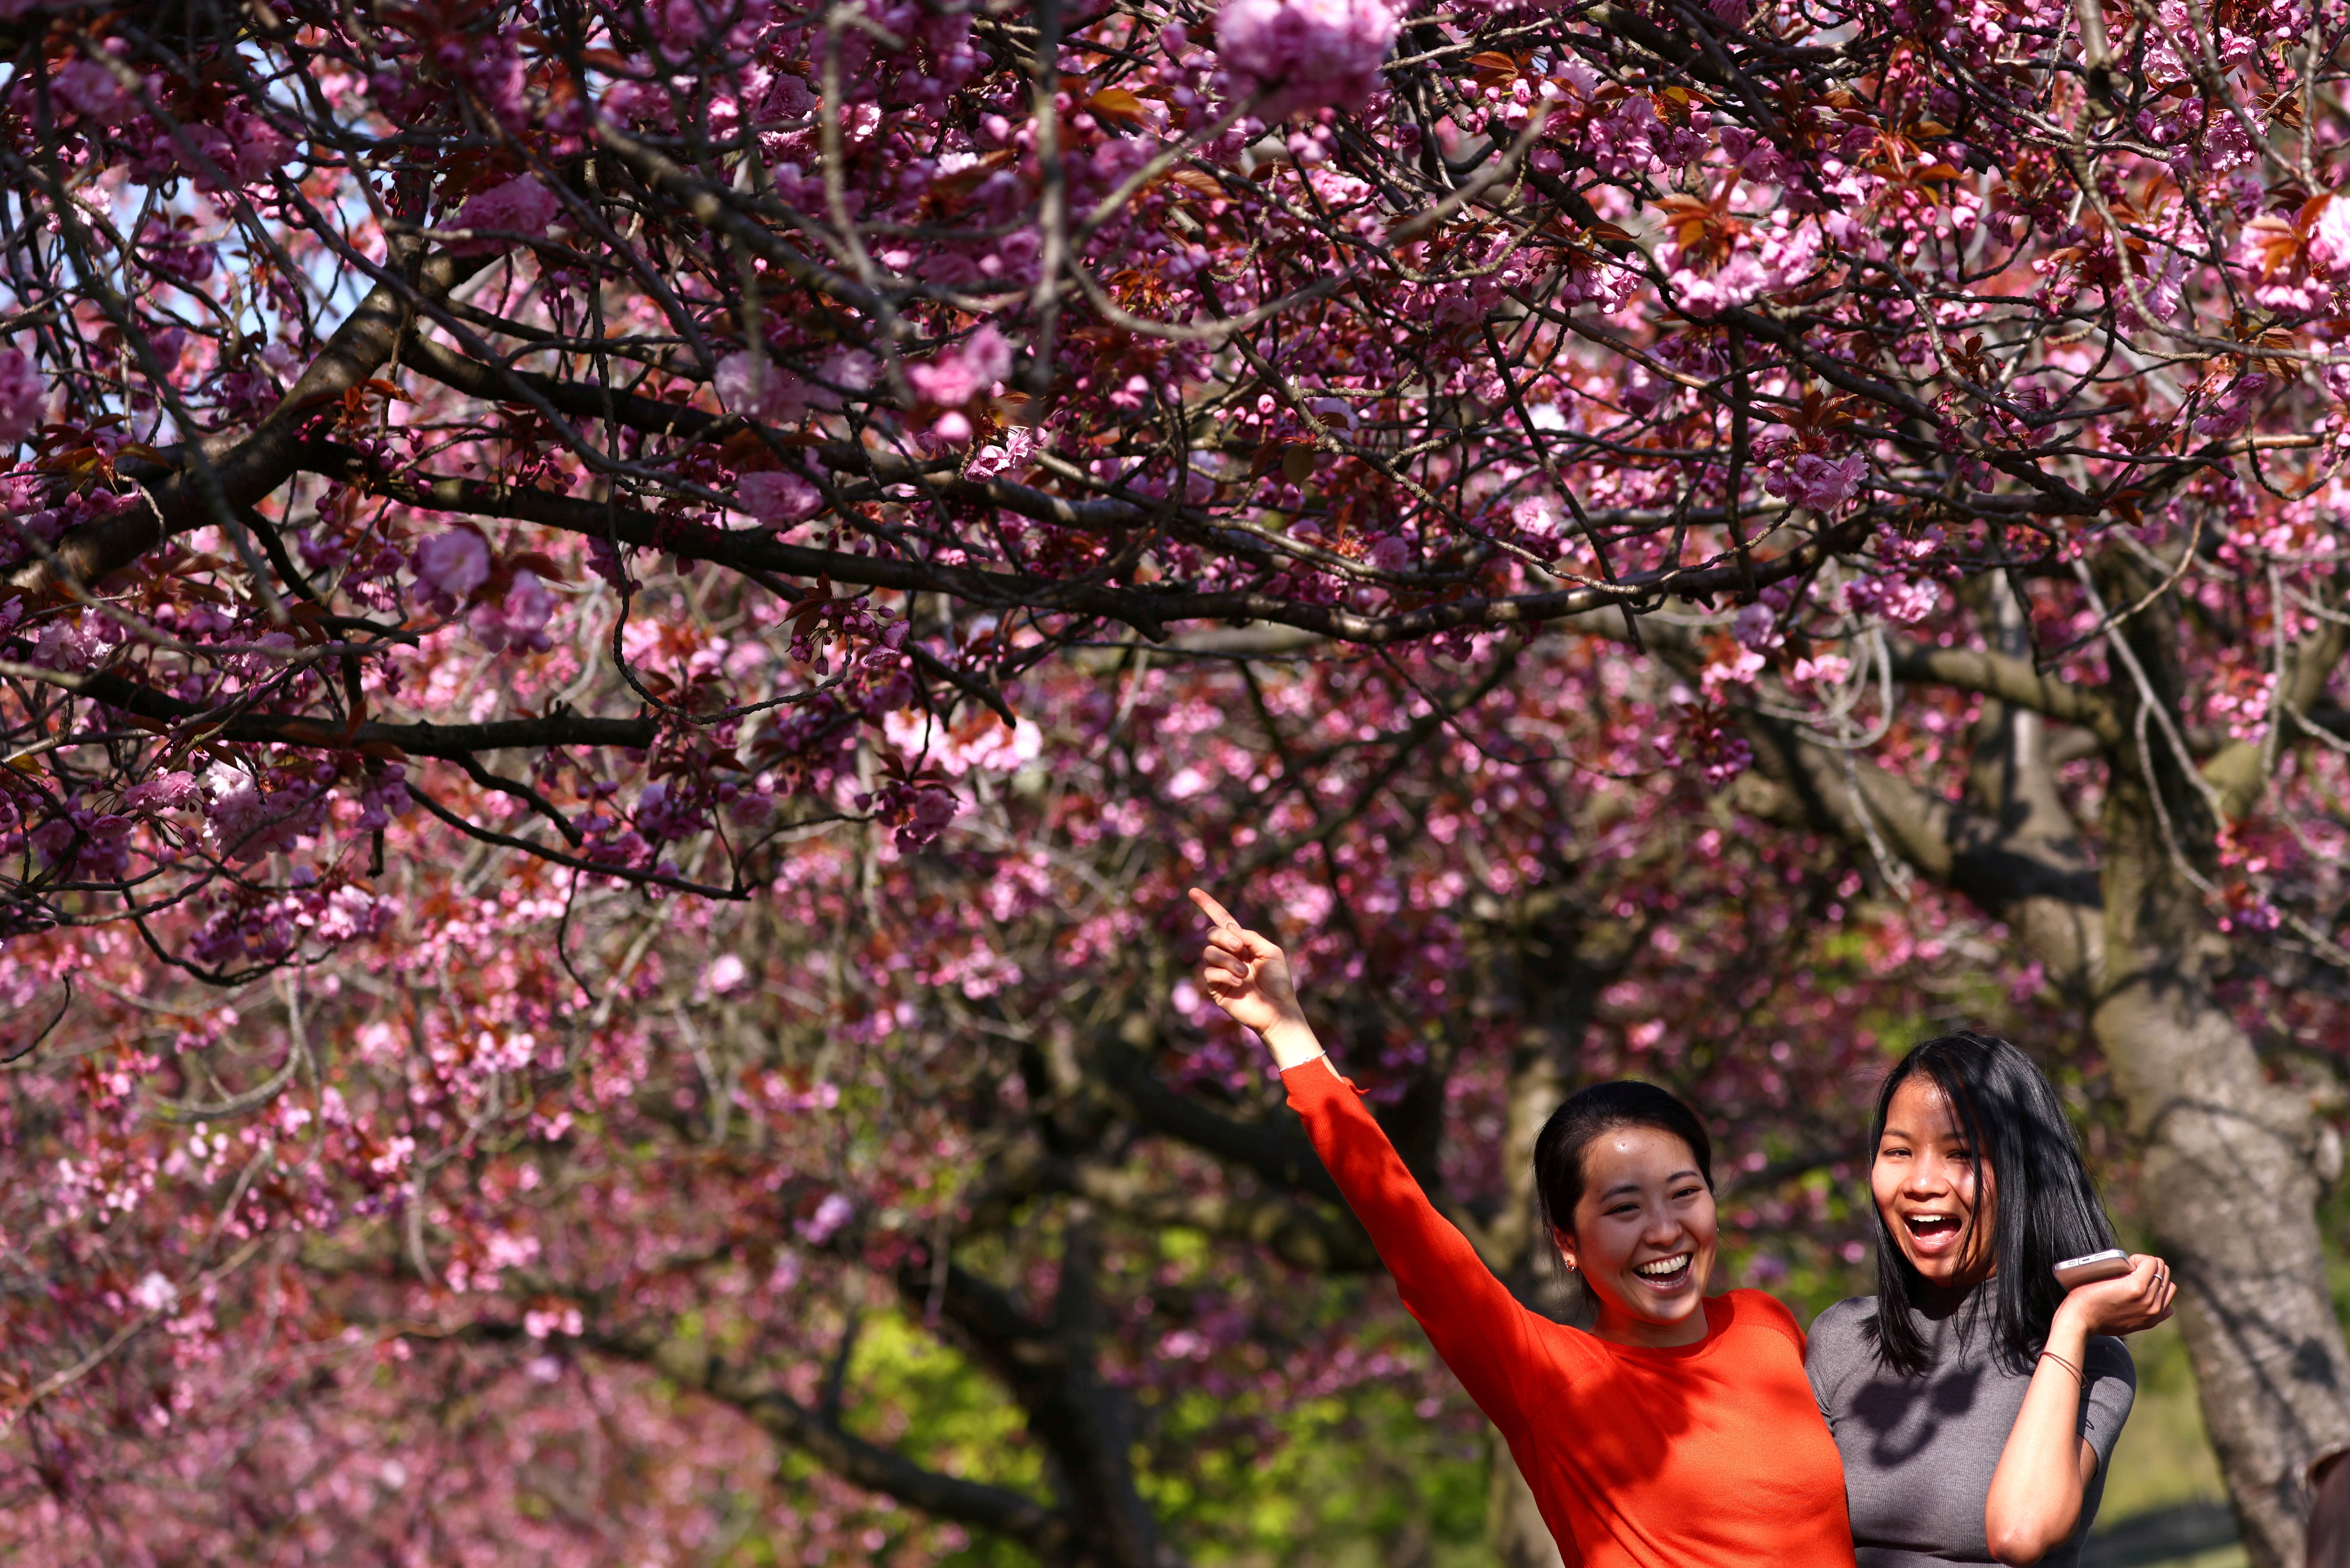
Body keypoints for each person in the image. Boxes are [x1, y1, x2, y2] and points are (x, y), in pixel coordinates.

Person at [1188, 889, 1858, 1568]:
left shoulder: (1766, 1323)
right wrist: (1287, 1030)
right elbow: (1402, 1220)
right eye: (1623, 1208)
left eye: (1684, 1193)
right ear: (1565, 1241)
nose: (1663, 1230)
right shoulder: (1547, 1377)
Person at [1807, 1032, 2176, 1567]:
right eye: (1898, 1152)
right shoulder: (1841, 1338)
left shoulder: (2091, 1361)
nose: (1922, 1182)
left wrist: (2072, 1323)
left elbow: (2021, 1533)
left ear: (2024, 1173)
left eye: (1962, 1154)